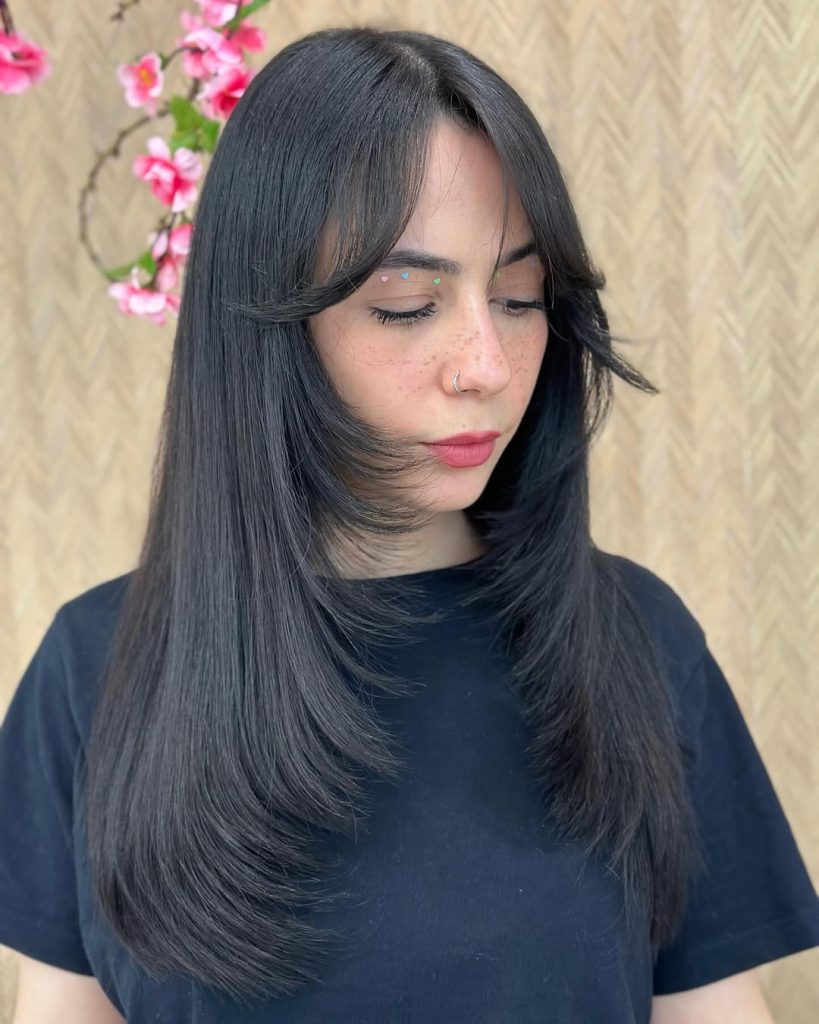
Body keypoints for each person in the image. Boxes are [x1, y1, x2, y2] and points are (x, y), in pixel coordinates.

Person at [1, 25, 818, 1024]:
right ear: (265, 324)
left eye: (518, 296)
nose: (486, 364)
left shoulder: (636, 642)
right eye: (405, 304)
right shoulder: (95, 669)